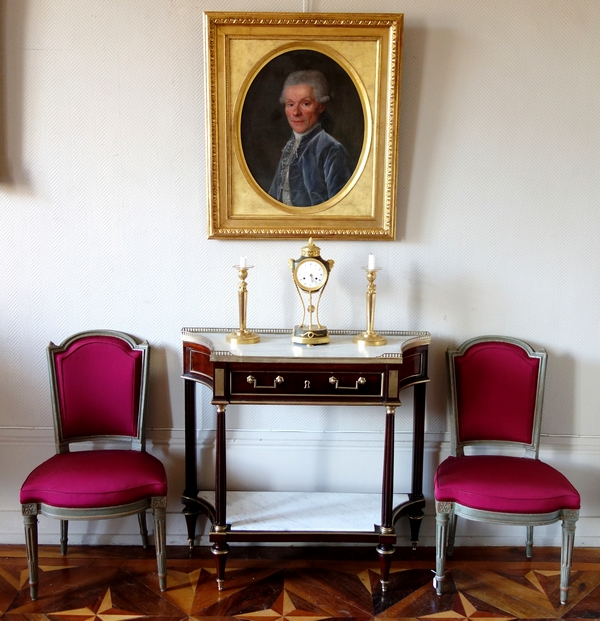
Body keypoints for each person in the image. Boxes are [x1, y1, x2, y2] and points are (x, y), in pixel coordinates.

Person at [268, 70, 352, 207]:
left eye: (305, 104)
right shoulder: (290, 147)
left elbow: (341, 209)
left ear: (321, 106)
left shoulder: (332, 150)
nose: (295, 112)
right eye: (290, 104)